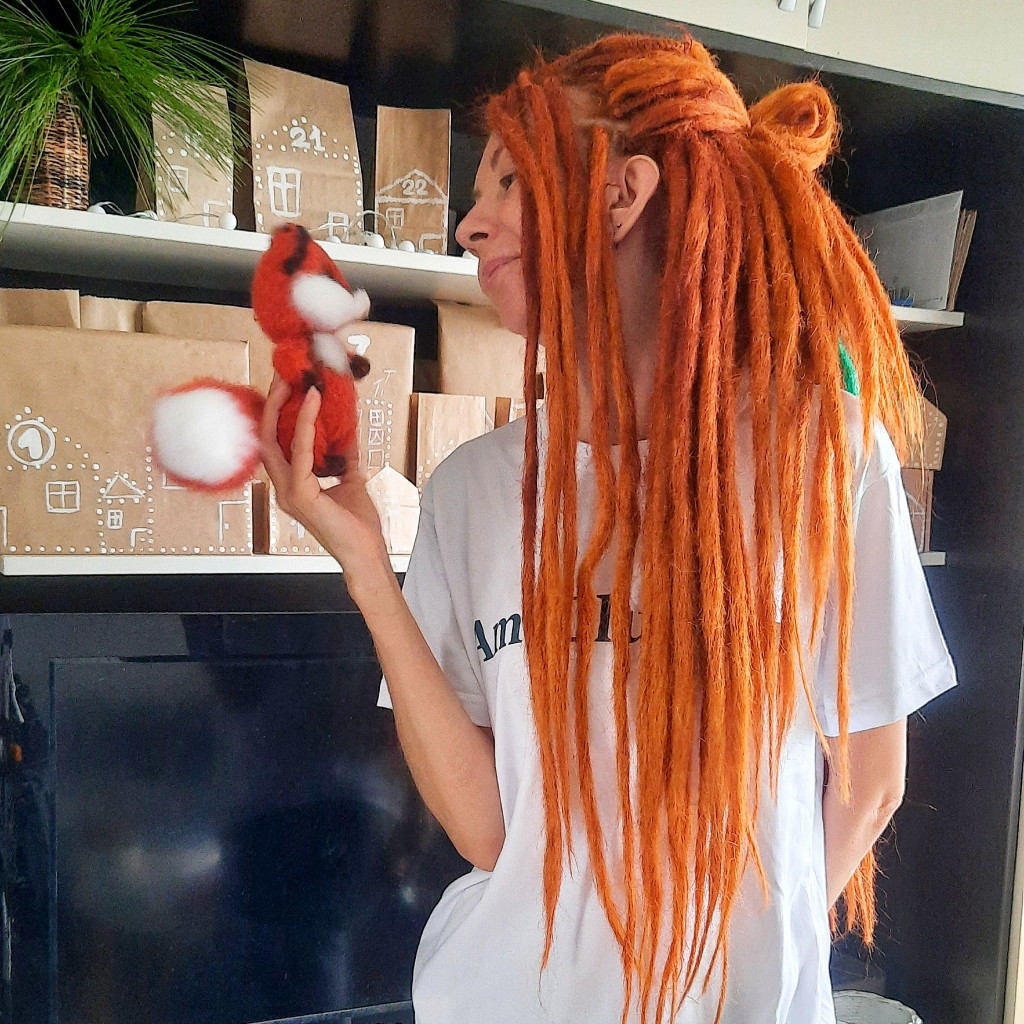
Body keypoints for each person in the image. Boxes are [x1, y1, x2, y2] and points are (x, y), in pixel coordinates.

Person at [260, 31, 957, 1024]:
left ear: (621, 195)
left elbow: (869, 783)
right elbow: (489, 833)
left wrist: (724, 962)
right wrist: (367, 567)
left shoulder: (821, 455)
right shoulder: (470, 492)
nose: (470, 225)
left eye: (509, 184)